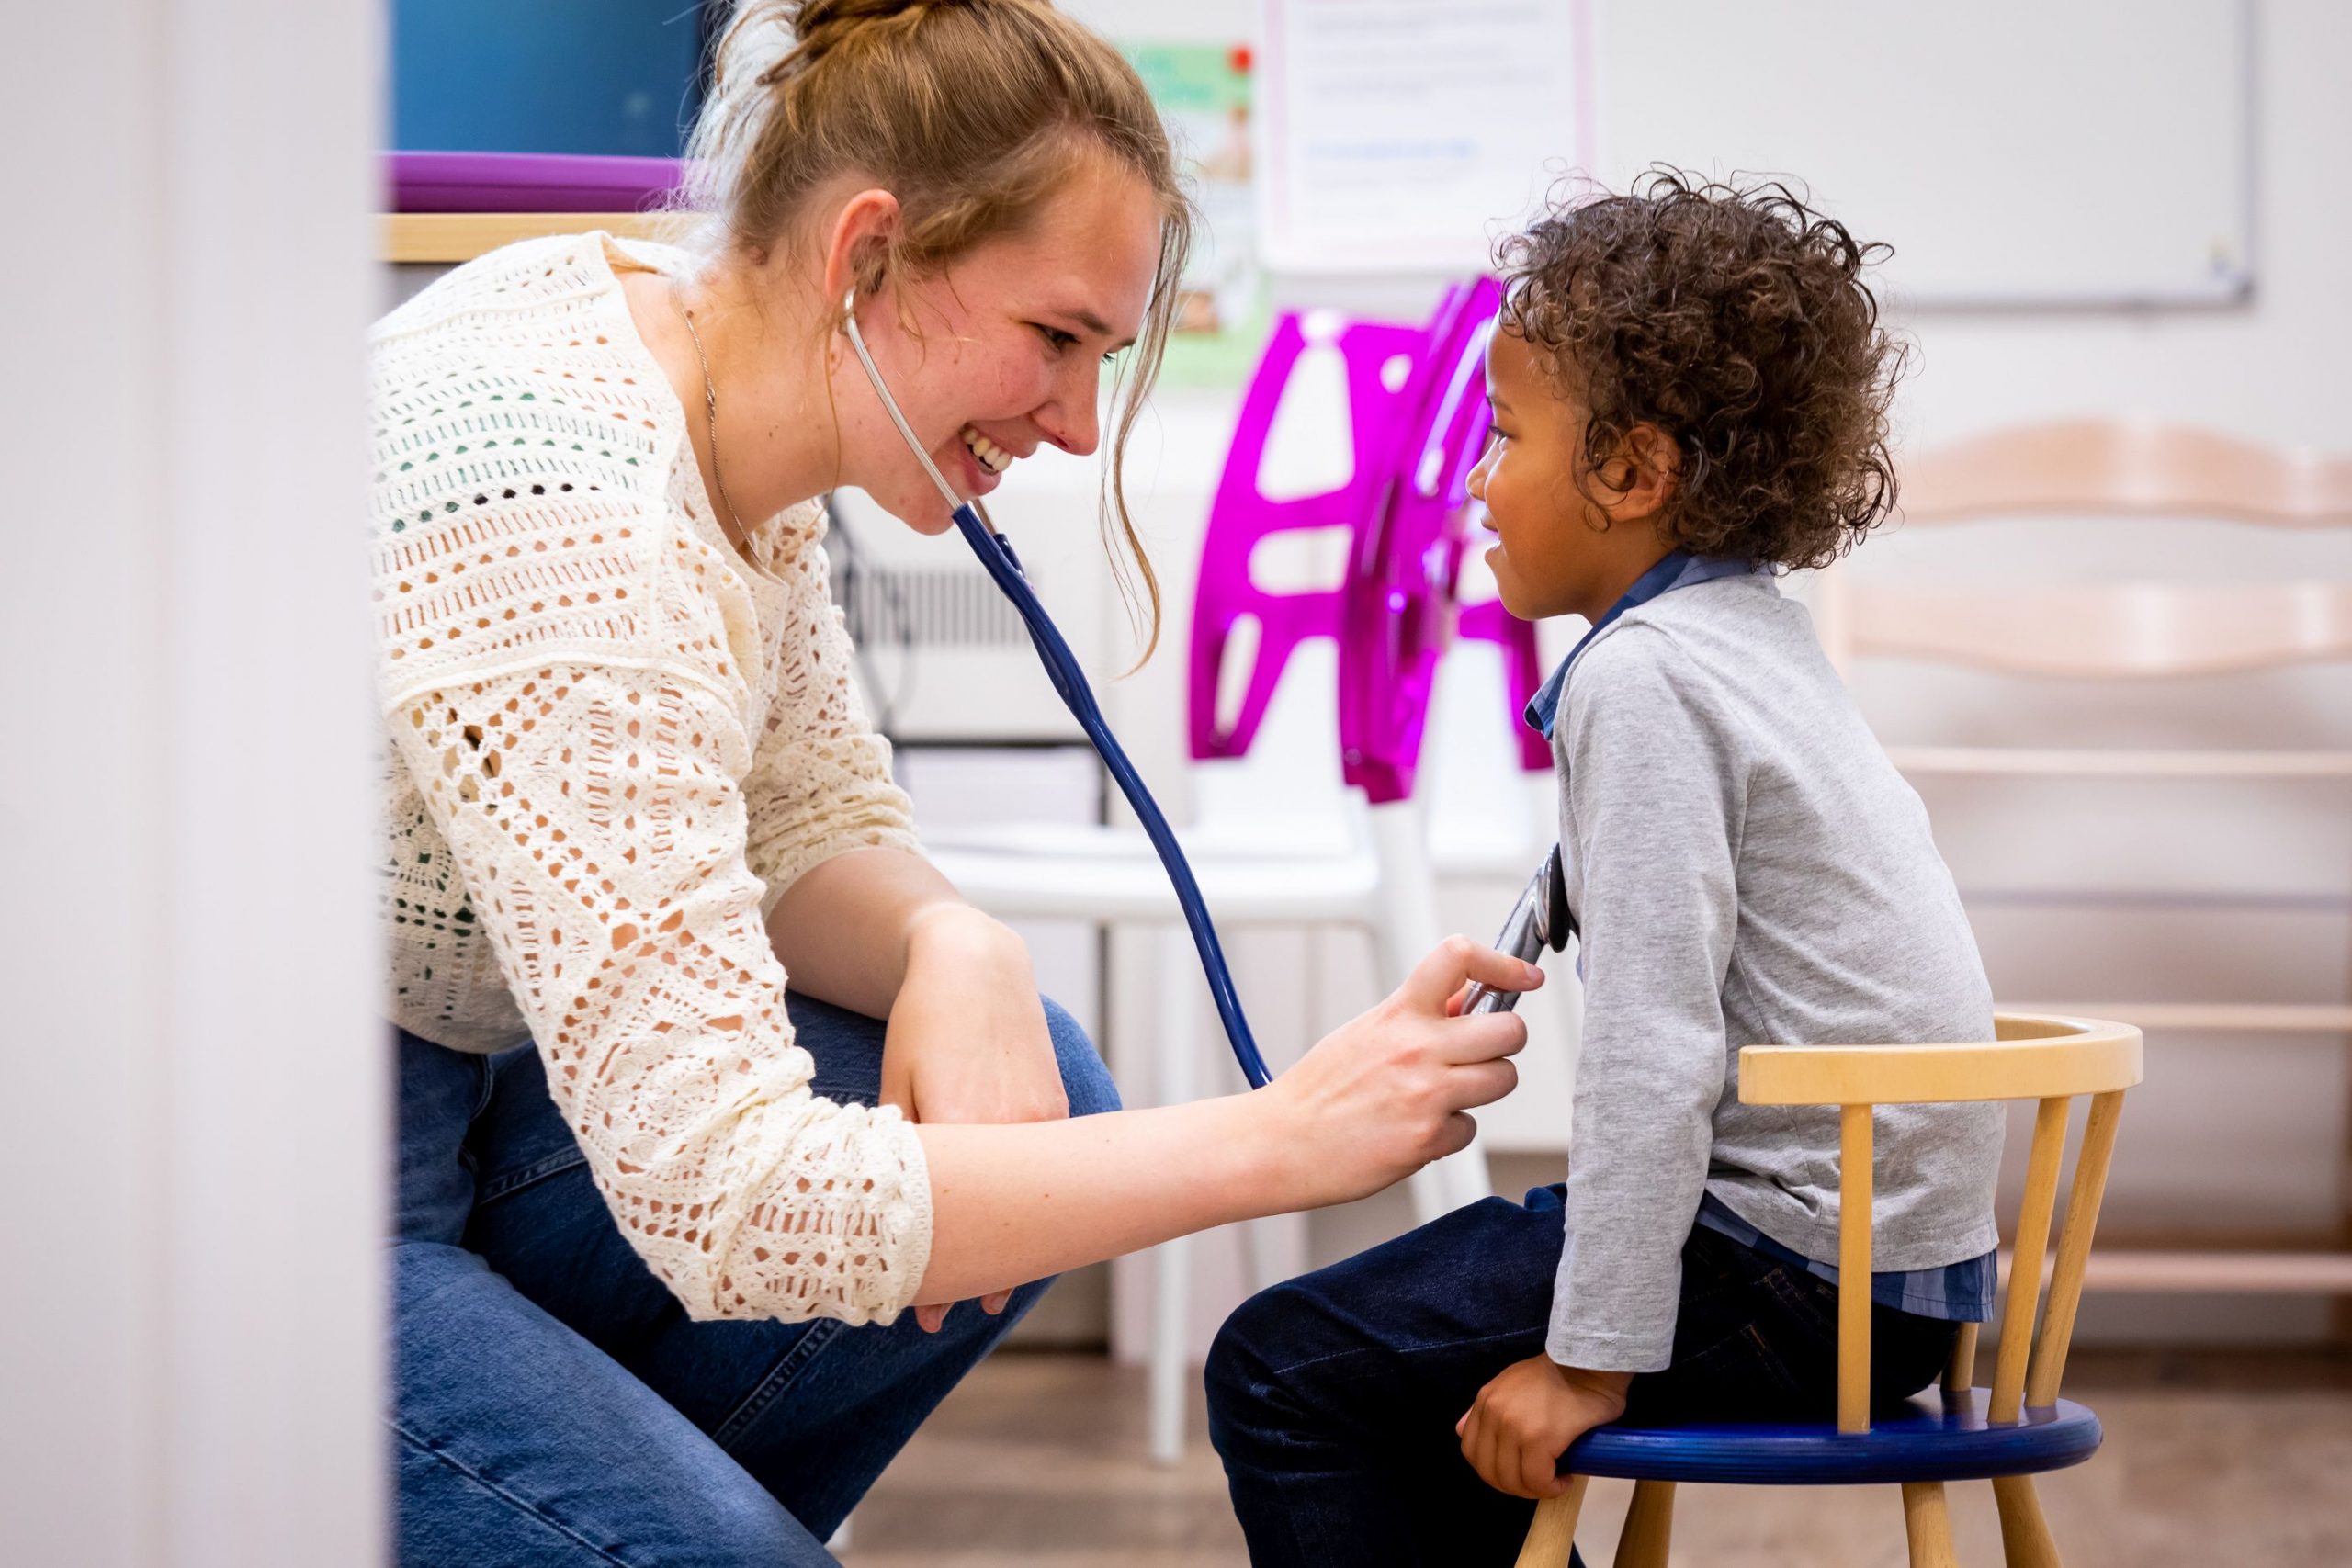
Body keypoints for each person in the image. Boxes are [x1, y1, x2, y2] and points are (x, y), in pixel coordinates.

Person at [376, 3, 1538, 1562]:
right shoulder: (570, 510)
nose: (1070, 424)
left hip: (439, 1096)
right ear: (867, 257)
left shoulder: (702, 372)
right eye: (1053, 338)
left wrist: (954, 940)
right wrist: (1280, 1140)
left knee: (1037, 1072)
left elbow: (803, 821)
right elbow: (726, 1199)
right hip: (225, 1187)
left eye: (1099, 361)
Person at [1204, 172, 2007, 1565]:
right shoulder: (1752, 638)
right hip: (1903, 1284)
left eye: (1505, 437)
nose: (1475, 481)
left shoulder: (1638, 680)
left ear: (1632, 472)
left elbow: (1654, 1047)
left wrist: (1591, 1358)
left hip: (1786, 1276)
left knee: (1281, 1372)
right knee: (1402, 1383)